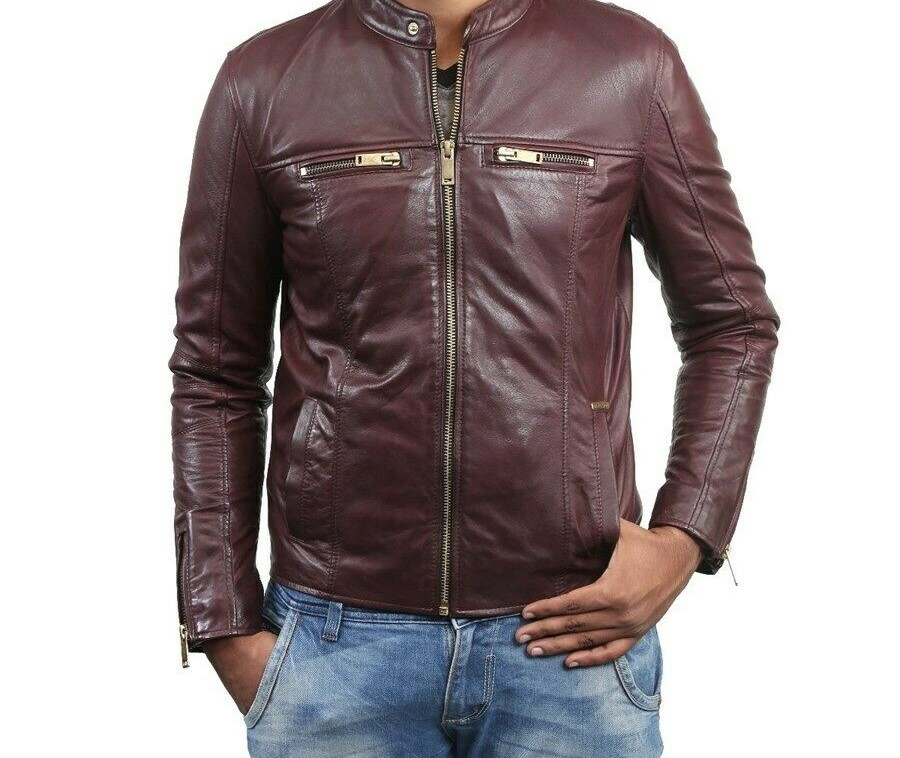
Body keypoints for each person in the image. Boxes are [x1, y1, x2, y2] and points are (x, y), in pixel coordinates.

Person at [168, 0, 779, 755]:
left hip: (576, 641)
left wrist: (685, 537)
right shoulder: (264, 80)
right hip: (334, 647)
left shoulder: (629, 64)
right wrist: (223, 623)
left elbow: (733, 324)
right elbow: (214, 369)